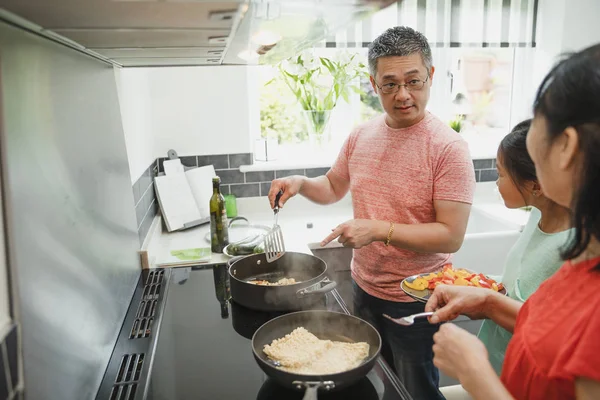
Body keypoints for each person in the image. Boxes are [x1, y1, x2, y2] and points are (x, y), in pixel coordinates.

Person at [268, 26, 476, 400]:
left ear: (430, 75)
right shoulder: (361, 135)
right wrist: (300, 181)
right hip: (364, 288)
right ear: (372, 83)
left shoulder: (449, 148)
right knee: (378, 384)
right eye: (389, 84)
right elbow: (332, 186)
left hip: (417, 300)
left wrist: (379, 229)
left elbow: (450, 234)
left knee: (416, 391)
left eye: (413, 81)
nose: (403, 95)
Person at [426, 43, 600, 400]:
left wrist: (474, 372)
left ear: (565, 145)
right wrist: (487, 302)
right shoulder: (583, 254)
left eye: (537, 119)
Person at [478, 119, 572, 375]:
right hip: (497, 367)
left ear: (536, 185)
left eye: (500, 174)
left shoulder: (577, 248)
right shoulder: (537, 216)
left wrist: (485, 303)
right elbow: (516, 285)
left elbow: (553, 331)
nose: (497, 184)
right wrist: (474, 283)